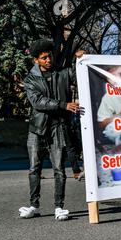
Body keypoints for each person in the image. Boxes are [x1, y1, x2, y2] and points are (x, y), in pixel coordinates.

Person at [18, 39, 83, 221]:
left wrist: (80, 60)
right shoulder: (30, 79)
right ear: (36, 60)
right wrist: (63, 104)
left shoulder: (62, 73)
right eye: (44, 57)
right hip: (37, 129)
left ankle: (59, 207)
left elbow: (79, 75)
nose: (48, 60)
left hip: (58, 127)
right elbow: (37, 101)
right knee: (34, 169)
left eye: (50, 56)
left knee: (59, 169)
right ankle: (34, 206)